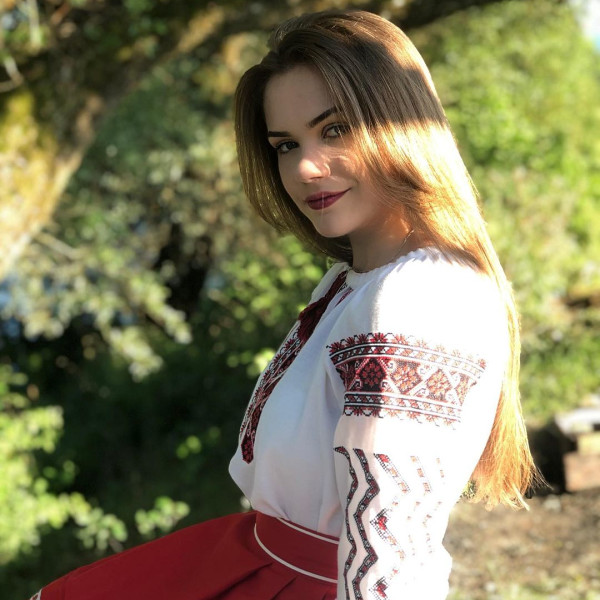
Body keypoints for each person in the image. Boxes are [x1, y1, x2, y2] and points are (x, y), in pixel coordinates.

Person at [30, 9, 538, 600]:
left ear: (403, 124)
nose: (304, 167)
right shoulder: (350, 284)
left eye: (335, 129)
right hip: (260, 565)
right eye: (286, 144)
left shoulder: (414, 299)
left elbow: (389, 557)